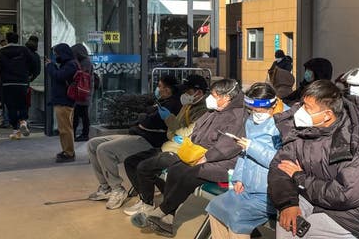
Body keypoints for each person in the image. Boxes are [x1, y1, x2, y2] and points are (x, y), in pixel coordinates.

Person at [269, 80, 359, 239]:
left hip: (350, 215)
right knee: (287, 224)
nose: (300, 111)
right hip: (311, 197)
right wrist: (287, 204)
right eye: (302, 104)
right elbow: (280, 167)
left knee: (303, 233)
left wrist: (301, 178)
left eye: (307, 108)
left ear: (327, 115)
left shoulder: (358, 146)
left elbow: (346, 194)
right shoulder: (301, 131)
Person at [144, 79, 247, 237]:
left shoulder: (237, 116)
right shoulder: (214, 110)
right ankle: (169, 219)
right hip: (200, 154)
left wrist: (206, 157)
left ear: (226, 97)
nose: (209, 98)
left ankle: (163, 211)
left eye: (213, 95)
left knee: (190, 175)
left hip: (224, 163)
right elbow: (197, 130)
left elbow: (229, 146)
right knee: (175, 169)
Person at [87, 75, 182, 209]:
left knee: (104, 149)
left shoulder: (173, 104)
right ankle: (105, 187)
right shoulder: (161, 102)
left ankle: (117, 189)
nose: (157, 89)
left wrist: (146, 118)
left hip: (148, 140)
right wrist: (145, 117)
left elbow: (151, 122)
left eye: (159, 86)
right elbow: (146, 118)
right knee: (93, 144)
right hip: (137, 134)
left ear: (167, 90)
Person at [206, 83, 286, 239]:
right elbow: (244, 154)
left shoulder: (284, 124)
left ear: (272, 104)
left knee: (238, 218)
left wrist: (252, 147)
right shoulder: (251, 121)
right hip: (247, 187)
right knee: (216, 208)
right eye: (252, 110)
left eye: (258, 110)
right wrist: (238, 178)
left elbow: (280, 161)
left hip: (268, 193)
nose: (255, 114)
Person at [123, 75, 210, 216]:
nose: (184, 95)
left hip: (181, 153)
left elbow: (186, 133)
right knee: (131, 162)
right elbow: (173, 131)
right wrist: (174, 129)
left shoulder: (204, 111)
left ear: (198, 93)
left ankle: (147, 204)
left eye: (187, 91)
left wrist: (172, 124)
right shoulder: (187, 105)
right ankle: (144, 199)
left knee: (143, 167)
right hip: (170, 146)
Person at [0, 32, 38, 140]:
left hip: (8, 83)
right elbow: (34, 63)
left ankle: (15, 130)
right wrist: (29, 75)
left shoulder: (2, 52)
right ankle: (23, 121)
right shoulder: (24, 51)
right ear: (18, 39)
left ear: (7, 39)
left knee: (11, 107)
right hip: (22, 82)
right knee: (23, 104)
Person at [46, 43, 78, 163]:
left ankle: (69, 153)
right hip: (63, 100)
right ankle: (66, 150)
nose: (55, 56)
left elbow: (58, 76)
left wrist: (50, 66)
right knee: (63, 128)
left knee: (65, 128)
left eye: (56, 54)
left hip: (65, 101)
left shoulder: (70, 65)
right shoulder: (68, 64)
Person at [71, 43, 93, 142]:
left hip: (84, 92)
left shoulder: (86, 62)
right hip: (82, 92)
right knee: (79, 114)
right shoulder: (83, 61)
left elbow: (82, 75)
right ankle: (75, 133)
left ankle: (84, 134)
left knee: (83, 115)